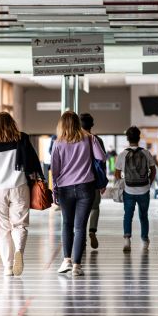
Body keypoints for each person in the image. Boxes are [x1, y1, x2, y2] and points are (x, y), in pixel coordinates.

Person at [0, 112, 44, 277]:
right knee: (19, 225)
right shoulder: (22, 138)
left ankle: (8, 267)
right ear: (12, 124)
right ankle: (19, 251)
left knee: (3, 229)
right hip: (19, 186)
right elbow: (33, 162)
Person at [51, 111, 106, 276]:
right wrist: (92, 138)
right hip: (85, 187)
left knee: (67, 224)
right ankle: (76, 266)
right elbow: (101, 157)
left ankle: (66, 260)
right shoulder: (88, 139)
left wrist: (55, 189)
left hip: (65, 188)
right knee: (80, 227)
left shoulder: (58, 143)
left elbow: (55, 169)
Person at [115, 126, 156, 253]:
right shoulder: (146, 153)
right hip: (144, 189)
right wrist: (148, 183)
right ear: (139, 138)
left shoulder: (123, 154)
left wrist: (123, 182)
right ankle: (144, 240)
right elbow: (153, 170)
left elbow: (117, 174)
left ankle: (127, 239)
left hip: (129, 190)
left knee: (128, 215)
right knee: (143, 216)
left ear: (128, 139)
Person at [80, 113, 106, 249]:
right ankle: (92, 230)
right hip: (94, 180)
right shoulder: (97, 139)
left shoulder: (75, 140)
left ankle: (81, 238)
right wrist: (103, 182)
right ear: (92, 125)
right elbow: (102, 161)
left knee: (81, 209)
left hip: (79, 180)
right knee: (94, 207)